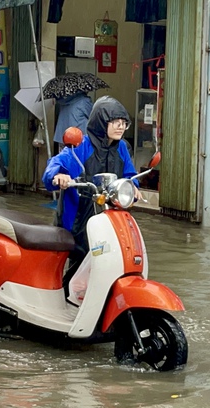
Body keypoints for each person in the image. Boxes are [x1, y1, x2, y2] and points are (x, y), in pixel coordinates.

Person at [43, 96, 142, 294]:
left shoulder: (122, 148)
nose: (121, 127)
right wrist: (59, 175)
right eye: (116, 123)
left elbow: (130, 175)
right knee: (77, 264)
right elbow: (54, 165)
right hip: (79, 219)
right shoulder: (81, 146)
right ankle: (63, 297)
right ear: (101, 123)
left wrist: (134, 186)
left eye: (124, 124)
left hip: (109, 216)